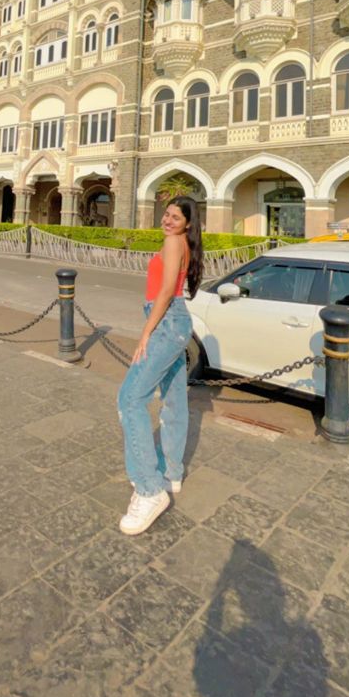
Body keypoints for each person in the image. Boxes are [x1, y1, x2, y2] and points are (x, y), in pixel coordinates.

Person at [117, 195, 203, 536]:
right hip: (177, 321)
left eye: (175, 217)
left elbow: (166, 291)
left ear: (187, 224)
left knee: (130, 399)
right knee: (174, 399)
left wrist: (145, 333)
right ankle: (171, 471)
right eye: (166, 215)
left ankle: (150, 488)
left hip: (166, 322)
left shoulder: (172, 242)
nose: (167, 221)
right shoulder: (181, 243)